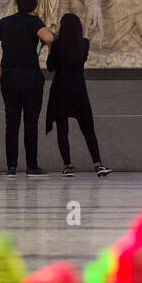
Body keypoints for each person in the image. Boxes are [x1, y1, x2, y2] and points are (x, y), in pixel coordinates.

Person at [0, 0, 55, 177]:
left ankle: (11, 166)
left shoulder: (5, 23)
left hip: (9, 78)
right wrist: (50, 54)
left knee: (11, 122)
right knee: (31, 122)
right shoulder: (34, 22)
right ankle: (32, 166)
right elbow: (49, 38)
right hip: (31, 77)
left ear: (16, 4)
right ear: (35, 6)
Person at [45, 13, 111, 177]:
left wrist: (51, 48)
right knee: (87, 128)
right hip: (78, 88)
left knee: (62, 128)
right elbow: (81, 60)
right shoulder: (84, 44)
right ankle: (98, 164)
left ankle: (67, 165)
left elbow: (50, 67)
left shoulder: (57, 44)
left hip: (60, 87)